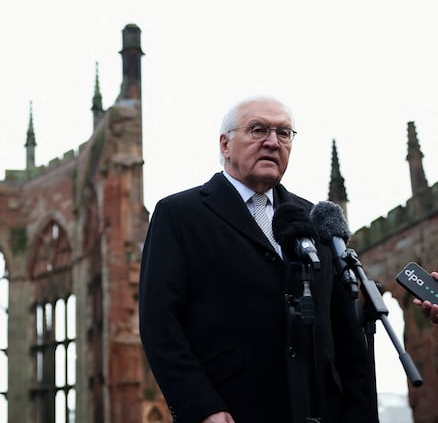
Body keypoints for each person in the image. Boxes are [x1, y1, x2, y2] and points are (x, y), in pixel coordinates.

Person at [138, 96, 378, 423]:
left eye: (284, 133)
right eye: (258, 130)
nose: (272, 142)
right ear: (225, 145)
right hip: (233, 410)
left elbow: (347, 333)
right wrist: (201, 407)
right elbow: (159, 322)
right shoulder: (179, 215)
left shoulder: (315, 218)